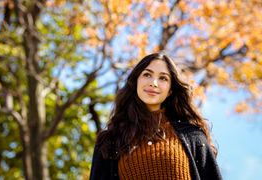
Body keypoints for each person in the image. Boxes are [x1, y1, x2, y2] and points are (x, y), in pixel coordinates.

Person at [89, 53, 222, 180]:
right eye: (147, 75)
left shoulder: (193, 135)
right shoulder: (110, 140)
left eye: (163, 78)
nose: (154, 83)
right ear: (136, 81)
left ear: (170, 90)